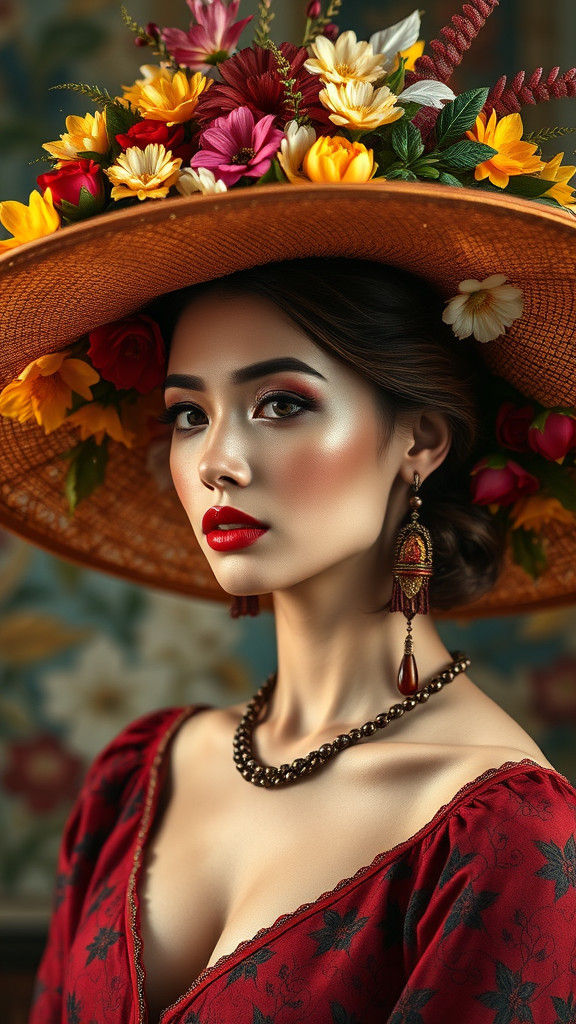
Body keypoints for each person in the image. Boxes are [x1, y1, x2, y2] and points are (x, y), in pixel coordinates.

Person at [0, 3, 575, 1022]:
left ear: (419, 441)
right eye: (189, 413)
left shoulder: (503, 836)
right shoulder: (139, 774)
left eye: (281, 404)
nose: (218, 460)